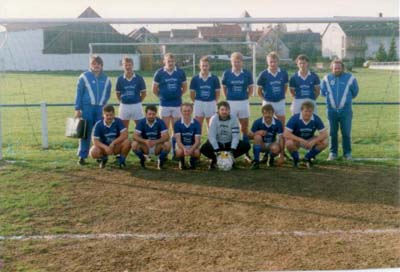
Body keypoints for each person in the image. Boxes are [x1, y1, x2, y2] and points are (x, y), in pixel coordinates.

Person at [74, 55, 111, 166]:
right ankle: (82, 156)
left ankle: (101, 155)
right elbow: (79, 93)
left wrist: (103, 104)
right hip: (87, 108)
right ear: (90, 65)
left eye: (98, 64)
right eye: (94, 64)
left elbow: (108, 93)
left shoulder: (106, 79)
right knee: (85, 132)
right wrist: (77, 108)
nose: (96, 66)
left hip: (100, 109)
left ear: (101, 65)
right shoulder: (84, 77)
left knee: (100, 132)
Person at [321, 59, 359, 161]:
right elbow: (323, 92)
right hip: (331, 111)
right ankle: (333, 153)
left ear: (342, 68)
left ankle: (347, 153)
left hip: (346, 111)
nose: (336, 69)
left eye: (338, 67)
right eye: (335, 68)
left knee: (346, 133)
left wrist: (345, 101)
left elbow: (355, 93)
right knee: (332, 133)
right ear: (331, 68)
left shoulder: (350, 78)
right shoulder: (326, 78)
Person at [152, 53, 187, 158]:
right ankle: (164, 153)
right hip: (164, 104)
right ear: (164, 61)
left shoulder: (180, 72)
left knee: (176, 130)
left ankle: (174, 152)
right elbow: (154, 90)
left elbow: (184, 88)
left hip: (177, 104)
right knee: (164, 130)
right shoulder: (159, 73)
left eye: (172, 61)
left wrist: (176, 96)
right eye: (168, 61)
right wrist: (163, 96)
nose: (170, 63)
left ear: (174, 62)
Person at [221, 52, 254, 161]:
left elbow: (251, 89)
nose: (236, 63)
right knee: (230, 129)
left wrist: (244, 97)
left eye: (238, 61)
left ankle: (246, 153)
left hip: (243, 103)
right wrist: (230, 98)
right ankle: (229, 152)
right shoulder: (226, 73)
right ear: (231, 62)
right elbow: (224, 88)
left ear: (242, 62)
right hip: (231, 103)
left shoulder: (247, 74)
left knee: (244, 129)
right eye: (234, 61)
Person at [200, 101, 251, 170]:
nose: (224, 112)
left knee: (246, 146)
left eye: (226, 110)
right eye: (222, 110)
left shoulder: (234, 119)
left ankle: (230, 158)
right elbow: (212, 136)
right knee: (204, 149)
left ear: (229, 110)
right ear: (218, 111)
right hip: (219, 144)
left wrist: (232, 150)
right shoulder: (214, 119)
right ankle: (215, 159)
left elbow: (235, 136)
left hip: (229, 144)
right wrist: (217, 150)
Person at [284, 101, 328, 168]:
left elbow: (324, 134)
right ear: (301, 111)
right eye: (306, 111)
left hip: (309, 140)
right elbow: (286, 133)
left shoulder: (316, 118)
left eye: (310, 111)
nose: (308, 113)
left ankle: (307, 158)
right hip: (297, 140)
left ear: (313, 111)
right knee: (289, 143)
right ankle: (296, 159)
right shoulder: (295, 118)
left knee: (325, 142)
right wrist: (301, 140)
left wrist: (314, 141)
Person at [132, 105, 171, 170]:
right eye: (149, 114)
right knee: (134, 144)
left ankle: (160, 161)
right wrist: (145, 141)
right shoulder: (142, 122)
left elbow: (167, 136)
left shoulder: (160, 121)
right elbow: (134, 136)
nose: (151, 116)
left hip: (157, 146)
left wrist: (156, 141)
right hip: (146, 146)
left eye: (153, 114)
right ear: (146, 114)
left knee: (168, 144)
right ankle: (143, 159)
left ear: (156, 114)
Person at [257, 51, 289, 126]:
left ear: (278, 62)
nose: (273, 64)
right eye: (270, 62)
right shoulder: (263, 74)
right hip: (268, 102)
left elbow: (285, 87)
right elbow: (259, 91)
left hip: (280, 101)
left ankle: (280, 137)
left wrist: (280, 96)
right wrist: (265, 99)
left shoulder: (283, 73)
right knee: (266, 123)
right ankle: (268, 137)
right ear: (267, 62)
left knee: (281, 123)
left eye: (274, 62)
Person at [249, 104, 284, 170]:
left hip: (271, 144)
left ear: (273, 113)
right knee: (257, 137)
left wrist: (281, 155)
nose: (267, 115)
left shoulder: (278, 122)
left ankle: (270, 158)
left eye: (270, 113)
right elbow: (249, 136)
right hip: (261, 144)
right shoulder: (257, 122)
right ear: (262, 113)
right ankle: (256, 162)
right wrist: (258, 132)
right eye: (265, 113)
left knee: (276, 148)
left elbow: (281, 138)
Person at [115, 56, 146, 130]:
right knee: (123, 128)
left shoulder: (139, 78)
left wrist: (137, 100)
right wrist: (124, 100)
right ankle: (125, 141)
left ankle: (139, 141)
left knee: (140, 127)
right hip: (124, 106)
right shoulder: (119, 79)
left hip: (136, 105)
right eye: (125, 65)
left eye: (129, 65)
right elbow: (117, 94)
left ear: (132, 65)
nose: (128, 67)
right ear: (122, 66)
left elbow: (144, 93)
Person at [189, 56, 221, 128]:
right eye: (203, 65)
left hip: (211, 102)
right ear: (199, 66)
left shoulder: (214, 78)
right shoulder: (195, 78)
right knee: (197, 124)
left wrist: (214, 102)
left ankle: (210, 139)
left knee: (211, 125)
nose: (204, 67)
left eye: (206, 65)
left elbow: (218, 93)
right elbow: (192, 94)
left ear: (209, 66)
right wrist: (196, 102)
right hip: (199, 103)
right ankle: (198, 139)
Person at [173, 103, 202, 170]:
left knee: (197, 152)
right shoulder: (177, 123)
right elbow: (178, 140)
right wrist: (184, 149)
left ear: (192, 111)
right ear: (181, 112)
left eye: (189, 111)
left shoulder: (196, 123)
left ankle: (192, 161)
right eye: (184, 111)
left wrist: (191, 149)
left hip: (192, 145)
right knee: (179, 152)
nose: (187, 113)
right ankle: (182, 162)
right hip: (182, 145)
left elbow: (197, 141)